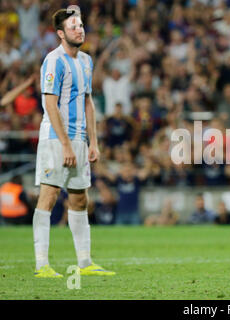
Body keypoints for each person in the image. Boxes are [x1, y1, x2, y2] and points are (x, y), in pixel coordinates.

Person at [32, 7, 115, 278]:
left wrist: (93, 141)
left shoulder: (86, 61)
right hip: (56, 140)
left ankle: (85, 262)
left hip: (80, 140)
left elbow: (88, 102)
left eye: (81, 25)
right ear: (60, 33)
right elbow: (50, 104)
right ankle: (42, 264)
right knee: (49, 195)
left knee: (80, 199)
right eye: (73, 26)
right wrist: (66, 144)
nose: (80, 29)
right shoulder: (53, 61)